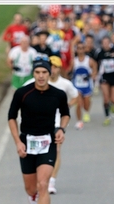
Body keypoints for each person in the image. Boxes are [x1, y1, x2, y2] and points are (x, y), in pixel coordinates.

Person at [8, 56, 70, 204]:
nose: (41, 76)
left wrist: (61, 129)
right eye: (37, 73)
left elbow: (65, 114)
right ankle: (33, 195)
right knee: (30, 188)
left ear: (49, 73)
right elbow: (11, 118)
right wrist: (18, 142)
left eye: (44, 72)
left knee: (43, 184)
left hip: (47, 142)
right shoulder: (22, 93)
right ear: (33, 74)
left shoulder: (58, 94)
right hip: (27, 143)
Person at [23, 56, 78, 194]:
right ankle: (40, 177)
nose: (52, 70)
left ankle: (51, 181)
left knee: (56, 150)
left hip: (56, 123)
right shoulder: (31, 83)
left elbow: (76, 96)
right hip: (35, 126)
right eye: (50, 67)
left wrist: (66, 106)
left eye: (55, 67)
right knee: (36, 153)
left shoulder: (65, 84)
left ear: (59, 69)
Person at [95, 36, 114, 126]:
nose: (105, 44)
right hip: (104, 77)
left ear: (110, 43)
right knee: (106, 98)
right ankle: (107, 116)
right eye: (104, 43)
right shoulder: (99, 53)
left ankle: (112, 106)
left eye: (107, 42)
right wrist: (96, 79)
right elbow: (95, 65)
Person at [71, 41, 98, 130]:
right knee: (78, 103)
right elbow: (69, 71)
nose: (80, 50)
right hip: (77, 85)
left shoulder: (89, 60)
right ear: (76, 50)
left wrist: (91, 75)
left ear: (85, 49)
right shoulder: (74, 61)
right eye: (79, 48)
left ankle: (86, 111)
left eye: (82, 48)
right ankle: (79, 121)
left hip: (87, 85)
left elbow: (95, 69)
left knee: (86, 104)